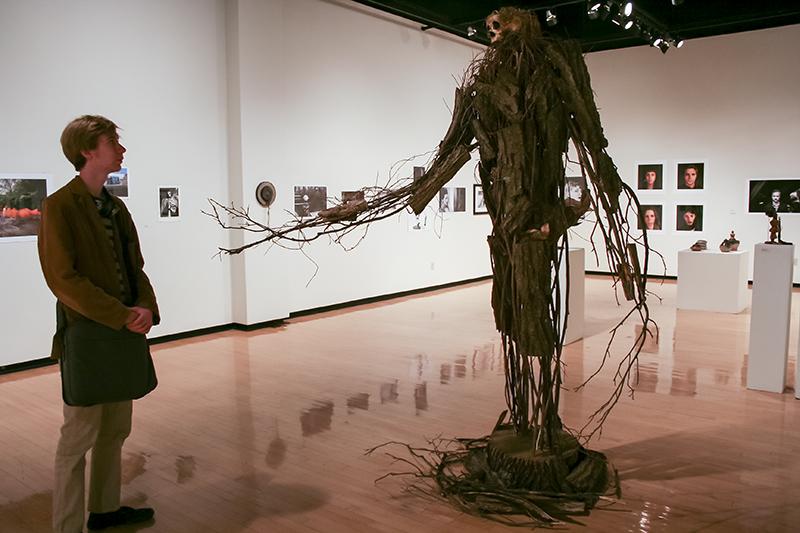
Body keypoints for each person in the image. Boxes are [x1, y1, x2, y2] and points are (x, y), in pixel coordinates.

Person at [38, 115, 159, 532]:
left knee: (115, 429)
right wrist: (122, 314)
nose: (121, 149)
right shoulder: (59, 206)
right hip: (89, 336)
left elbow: (135, 267)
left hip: (122, 333)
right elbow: (63, 280)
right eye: (113, 141)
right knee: (78, 438)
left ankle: (105, 509)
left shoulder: (115, 207)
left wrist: (145, 306)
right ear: (89, 149)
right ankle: (67, 525)